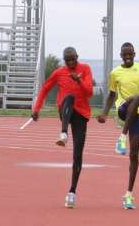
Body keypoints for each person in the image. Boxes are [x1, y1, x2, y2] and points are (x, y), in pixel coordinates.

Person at [97, 42, 139, 209]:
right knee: (138, 98)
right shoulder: (115, 73)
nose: (127, 57)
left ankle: (128, 194)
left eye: (130, 54)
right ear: (120, 55)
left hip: (138, 115)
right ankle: (122, 136)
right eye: (124, 54)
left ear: (134, 54)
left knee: (134, 154)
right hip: (123, 109)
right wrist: (104, 112)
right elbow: (111, 95)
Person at [31, 47, 93, 208]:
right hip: (65, 111)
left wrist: (79, 80)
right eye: (68, 60)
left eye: (74, 59)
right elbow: (45, 89)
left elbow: (89, 92)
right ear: (64, 61)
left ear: (77, 57)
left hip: (81, 114)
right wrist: (36, 109)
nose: (71, 62)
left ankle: (72, 192)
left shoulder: (85, 69)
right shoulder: (59, 72)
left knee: (78, 155)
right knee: (69, 98)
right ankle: (63, 133)